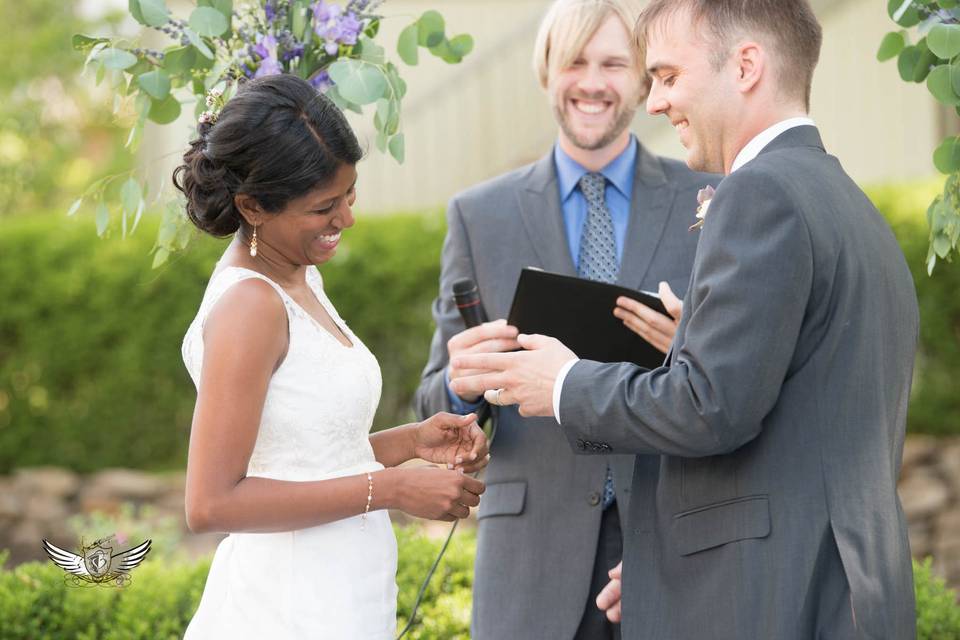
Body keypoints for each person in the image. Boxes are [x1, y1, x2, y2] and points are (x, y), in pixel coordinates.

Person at [450, 0, 920, 638]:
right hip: (839, 584)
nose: (657, 102)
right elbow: (793, 423)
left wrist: (562, 383)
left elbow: (710, 407)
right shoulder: (849, 204)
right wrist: (659, 560)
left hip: (779, 594)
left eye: (667, 76)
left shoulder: (760, 194)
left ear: (746, 66)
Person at [413, 1, 716, 638]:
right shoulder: (479, 215)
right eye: (574, 62)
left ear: (643, 81)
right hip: (530, 560)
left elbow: (733, 385)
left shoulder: (711, 200)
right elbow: (433, 403)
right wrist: (462, 384)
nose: (593, 82)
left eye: (614, 64)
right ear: (547, 73)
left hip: (673, 546)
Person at [174, 74, 488, 639]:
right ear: (253, 206)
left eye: (350, 195)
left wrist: (408, 443)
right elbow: (211, 502)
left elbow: (297, 457)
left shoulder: (296, 274)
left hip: (342, 593)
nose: (346, 219)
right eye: (324, 207)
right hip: (287, 608)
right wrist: (391, 489)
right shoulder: (250, 306)